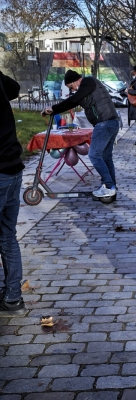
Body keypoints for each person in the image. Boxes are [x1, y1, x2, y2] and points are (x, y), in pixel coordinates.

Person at [42, 70, 120, 199]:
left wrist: (54, 108)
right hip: (110, 122)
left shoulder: (88, 82)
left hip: (105, 123)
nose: (72, 90)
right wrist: (54, 110)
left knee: (94, 154)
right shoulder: (87, 89)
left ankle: (109, 185)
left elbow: (74, 99)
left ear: (75, 81)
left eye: (71, 87)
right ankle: (111, 187)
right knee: (106, 157)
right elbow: (73, 102)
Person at [0, 70, 27, 316]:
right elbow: (14, 87)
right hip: (13, 169)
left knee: (7, 236)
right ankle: (12, 296)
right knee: (7, 236)